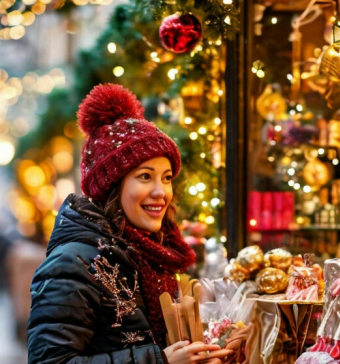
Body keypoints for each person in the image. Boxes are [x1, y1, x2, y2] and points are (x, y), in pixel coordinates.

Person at [28, 84, 231, 364]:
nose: (161, 192)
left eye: (167, 177)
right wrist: (160, 361)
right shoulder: (73, 263)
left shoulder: (155, 256)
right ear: (111, 186)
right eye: (145, 177)